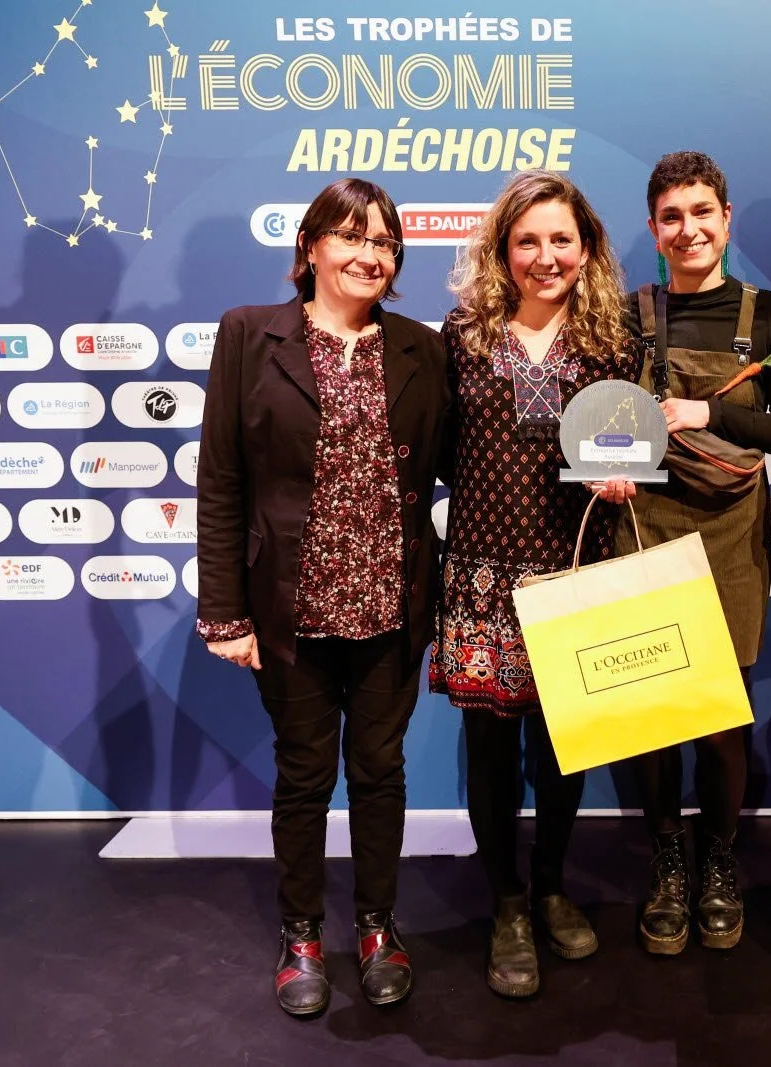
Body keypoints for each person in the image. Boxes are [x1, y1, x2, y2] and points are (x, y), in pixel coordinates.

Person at [194, 178, 449, 1018]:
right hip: (291, 609)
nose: (369, 253)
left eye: (383, 241)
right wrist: (225, 610)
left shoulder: (421, 347)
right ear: (310, 250)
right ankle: (302, 931)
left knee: (380, 772)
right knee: (304, 776)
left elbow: (460, 469)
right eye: (350, 237)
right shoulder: (247, 336)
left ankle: (377, 925)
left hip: (390, 605)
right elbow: (223, 480)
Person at [431, 170, 639, 997]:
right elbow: (439, 451)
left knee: (562, 752)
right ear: (501, 251)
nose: (545, 256)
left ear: (585, 249)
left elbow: (635, 446)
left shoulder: (614, 344)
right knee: (490, 752)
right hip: (481, 576)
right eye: (528, 241)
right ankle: (506, 905)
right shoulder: (461, 338)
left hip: (575, 576)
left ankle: (551, 887)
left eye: (562, 239)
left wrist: (626, 478)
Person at [621, 151, 771, 955]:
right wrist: (608, 470)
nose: (688, 229)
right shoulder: (630, 315)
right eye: (671, 216)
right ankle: (667, 859)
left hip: (731, 529)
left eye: (703, 212)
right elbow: (602, 419)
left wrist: (706, 413)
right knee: (660, 706)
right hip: (648, 522)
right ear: (655, 231)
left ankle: (719, 861)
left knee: (723, 707)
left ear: (726, 219)